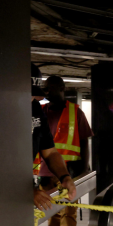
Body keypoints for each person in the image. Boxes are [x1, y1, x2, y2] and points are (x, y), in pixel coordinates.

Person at [36, 75, 93, 226]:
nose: (46, 92)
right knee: (51, 213)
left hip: (69, 172)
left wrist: (84, 168)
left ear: (62, 88)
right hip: (44, 171)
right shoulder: (39, 111)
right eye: (44, 88)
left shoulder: (76, 112)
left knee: (68, 212)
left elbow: (85, 141)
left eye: (50, 88)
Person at [32, 64, 77, 214]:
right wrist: (26, 191)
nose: (38, 98)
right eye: (29, 93)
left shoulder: (36, 109)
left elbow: (50, 152)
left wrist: (65, 177)